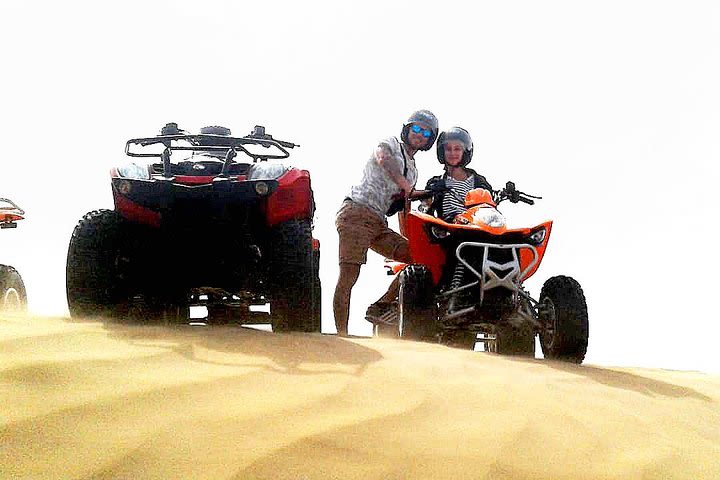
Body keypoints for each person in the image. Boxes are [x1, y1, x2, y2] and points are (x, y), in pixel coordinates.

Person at [333, 110, 439, 336]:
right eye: (416, 128)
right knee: (349, 275)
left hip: (380, 222)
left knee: (419, 258)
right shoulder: (390, 143)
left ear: (431, 139)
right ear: (407, 129)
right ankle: (341, 336)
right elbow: (384, 159)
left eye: (426, 132)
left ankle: (381, 305)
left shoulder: (414, 170)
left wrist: (423, 198)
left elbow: (403, 205)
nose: (419, 135)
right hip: (356, 213)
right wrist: (406, 186)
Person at [422, 127, 495, 223]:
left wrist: (507, 194)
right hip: (448, 230)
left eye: (457, 149)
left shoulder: (479, 181)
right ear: (442, 152)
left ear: (464, 152)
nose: (452, 153)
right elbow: (426, 206)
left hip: (478, 226)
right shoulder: (436, 182)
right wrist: (429, 194)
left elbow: (491, 202)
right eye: (448, 149)